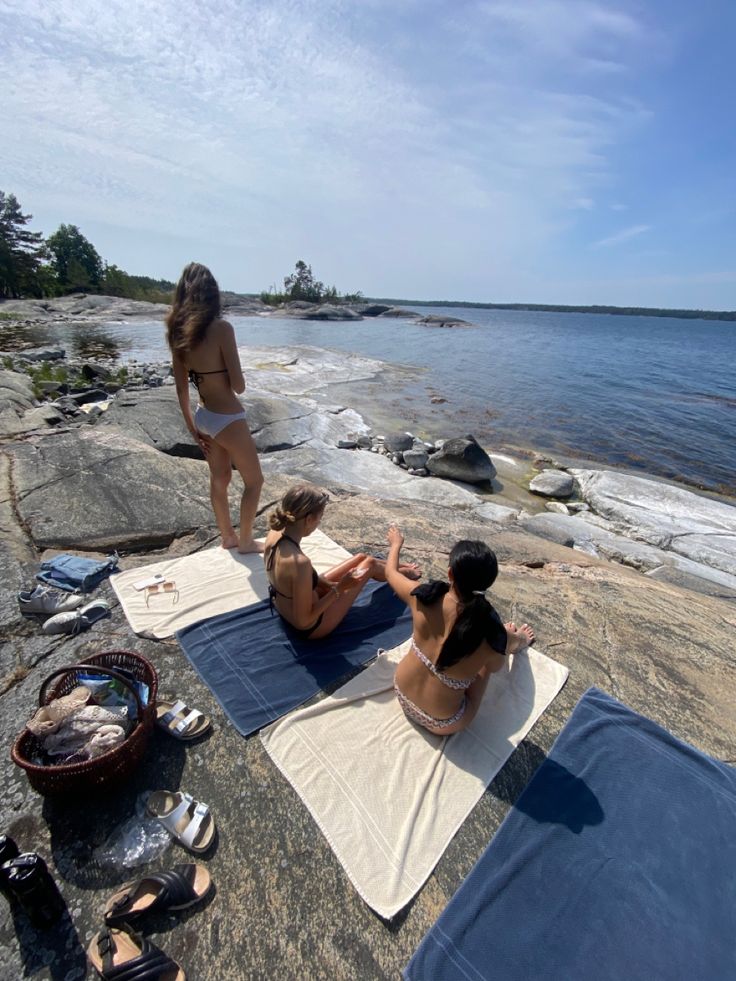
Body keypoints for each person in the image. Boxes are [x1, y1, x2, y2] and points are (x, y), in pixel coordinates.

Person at [385, 526, 535, 735]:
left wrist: (396, 544)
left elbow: (390, 572)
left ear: (450, 573)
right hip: (441, 723)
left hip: (401, 692)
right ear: (488, 583)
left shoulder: (421, 597)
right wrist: (500, 642)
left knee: (485, 648)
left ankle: (510, 639)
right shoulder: (488, 634)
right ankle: (515, 640)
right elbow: (495, 668)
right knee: (489, 658)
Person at [166, 262, 264, 553]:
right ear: (213, 294)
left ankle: (227, 537)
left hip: (203, 416)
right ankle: (245, 541)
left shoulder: (176, 332)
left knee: (220, 478)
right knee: (255, 481)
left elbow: (182, 388)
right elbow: (239, 386)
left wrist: (192, 428)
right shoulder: (222, 328)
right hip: (227, 418)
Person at [264, 484, 420, 640]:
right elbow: (303, 620)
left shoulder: (274, 534)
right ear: (309, 519)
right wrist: (338, 588)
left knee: (361, 558)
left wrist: (325, 583)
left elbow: (291, 579)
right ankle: (401, 574)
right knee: (370, 565)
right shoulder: (300, 563)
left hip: (286, 606)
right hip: (312, 627)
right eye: (320, 517)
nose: (319, 522)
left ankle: (397, 569)